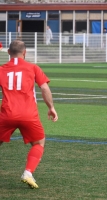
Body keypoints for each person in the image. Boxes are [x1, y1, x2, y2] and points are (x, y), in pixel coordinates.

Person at [0, 40, 58, 189]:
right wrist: (51, 107)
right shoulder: (33, 68)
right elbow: (44, 88)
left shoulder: (1, 69)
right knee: (39, 143)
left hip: (7, 114)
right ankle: (27, 173)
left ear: (8, 53)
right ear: (24, 52)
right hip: (28, 115)